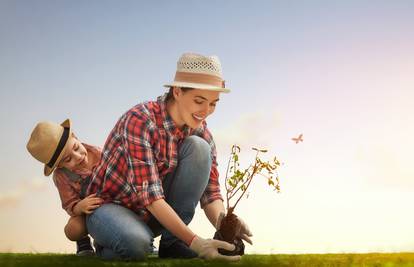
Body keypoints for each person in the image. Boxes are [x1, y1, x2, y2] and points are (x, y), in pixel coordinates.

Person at [86, 53, 252, 261]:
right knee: (137, 245)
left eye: (213, 103)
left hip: (151, 216)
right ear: (177, 92)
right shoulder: (140, 120)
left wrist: (225, 222)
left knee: (200, 148)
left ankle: (172, 243)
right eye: (199, 101)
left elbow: (211, 193)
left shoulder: (202, 134)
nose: (206, 111)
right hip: (108, 208)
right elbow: (151, 197)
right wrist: (196, 243)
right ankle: (109, 242)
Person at [26, 119, 103, 256]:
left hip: (111, 202)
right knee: (73, 230)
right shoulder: (62, 176)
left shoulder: (99, 153)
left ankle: (104, 237)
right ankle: (83, 242)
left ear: (75, 137)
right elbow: (69, 204)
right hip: (85, 211)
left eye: (76, 148)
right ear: (60, 166)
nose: (78, 156)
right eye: (68, 160)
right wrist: (80, 207)